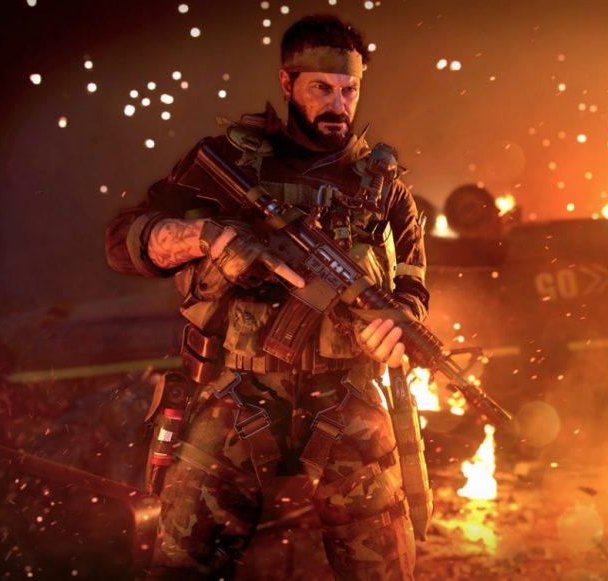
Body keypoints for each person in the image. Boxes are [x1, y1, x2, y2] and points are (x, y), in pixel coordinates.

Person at [105, 14, 428, 580]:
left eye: (349, 90)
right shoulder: (228, 164)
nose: (338, 104)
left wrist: (397, 325)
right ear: (287, 82)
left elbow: (413, 287)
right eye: (321, 87)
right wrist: (206, 237)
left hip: (348, 395)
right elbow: (124, 241)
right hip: (237, 392)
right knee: (181, 565)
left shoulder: (385, 189)